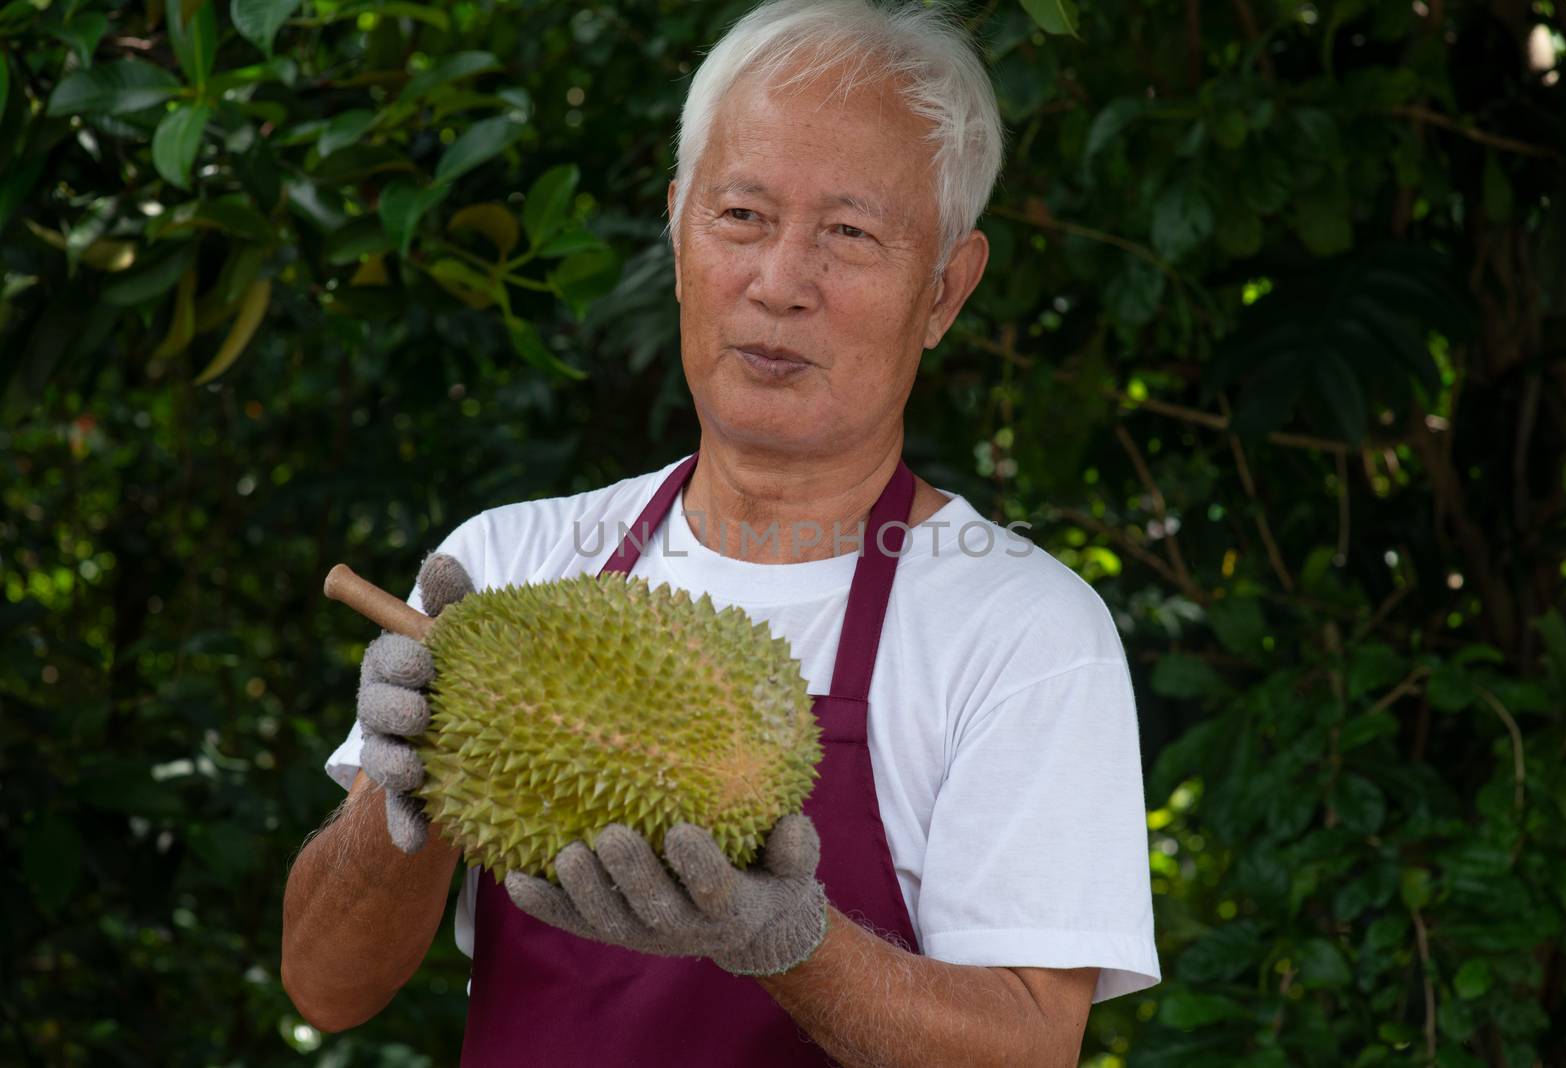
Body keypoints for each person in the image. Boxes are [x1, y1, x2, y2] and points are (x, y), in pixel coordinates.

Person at [281, 1, 1160, 1063]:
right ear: (676, 226)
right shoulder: (506, 568)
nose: (779, 284)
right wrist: (399, 789)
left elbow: (1025, 1050)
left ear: (944, 290)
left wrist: (785, 940)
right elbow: (325, 987)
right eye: (740, 216)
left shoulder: (1022, 632)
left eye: (848, 234)